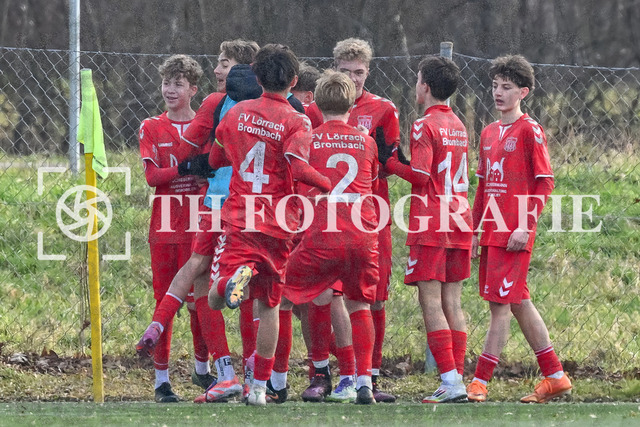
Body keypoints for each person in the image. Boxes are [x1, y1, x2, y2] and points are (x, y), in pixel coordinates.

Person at [205, 44, 332, 406]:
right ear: (294, 81)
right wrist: (327, 183)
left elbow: (215, 158)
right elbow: (298, 167)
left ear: (257, 78)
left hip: (241, 218)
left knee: (215, 298)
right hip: (279, 224)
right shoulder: (297, 120)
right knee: (271, 305)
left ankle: (232, 280)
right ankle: (260, 388)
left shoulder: (235, 113)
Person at [466, 55, 572, 403]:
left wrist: (525, 226)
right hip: (492, 233)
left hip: (514, 234)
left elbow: (545, 182)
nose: (498, 92)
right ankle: (555, 376)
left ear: (523, 92)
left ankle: (480, 382)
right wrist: (474, 232)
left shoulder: (530, 130)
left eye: (507, 87)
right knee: (518, 302)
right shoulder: (487, 132)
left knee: (500, 306)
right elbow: (483, 188)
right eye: (495, 86)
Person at [305, 37, 399, 403]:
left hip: (371, 215)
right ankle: (324, 373)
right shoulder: (317, 111)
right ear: (334, 71)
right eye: (345, 72)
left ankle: (369, 376)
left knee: (373, 299)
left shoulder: (384, 109)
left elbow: (387, 166)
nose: (353, 79)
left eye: (359, 72)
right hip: (326, 217)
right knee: (323, 295)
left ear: (368, 72)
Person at [281, 70, 381, 405]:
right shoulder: (367, 141)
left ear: (317, 105)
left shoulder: (310, 139)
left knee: (282, 296)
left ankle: (281, 378)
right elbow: (372, 177)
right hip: (362, 235)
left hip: (322, 234)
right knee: (359, 304)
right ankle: (363, 381)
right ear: (353, 104)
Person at [380, 55, 471, 403]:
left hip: (432, 221)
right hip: (459, 218)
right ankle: (456, 379)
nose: (415, 85)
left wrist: (389, 162)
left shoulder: (423, 124)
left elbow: (420, 175)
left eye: (418, 79)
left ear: (426, 86)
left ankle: (450, 381)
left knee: (430, 300)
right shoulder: (459, 124)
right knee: (452, 301)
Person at [137, 54, 211, 403]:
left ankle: (202, 369)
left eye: (178, 84)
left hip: (198, 224)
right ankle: (161, 380)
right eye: (166, 82)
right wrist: (185, 169)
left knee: (199, 302)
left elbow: (211, 171)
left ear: (193, 89)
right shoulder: (151, 126)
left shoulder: (206, 126)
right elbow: (153, 177)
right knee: (164, 300)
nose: (170, 89)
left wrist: (202, 173)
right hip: (165, 226)